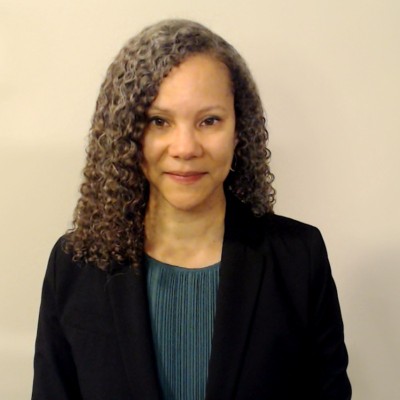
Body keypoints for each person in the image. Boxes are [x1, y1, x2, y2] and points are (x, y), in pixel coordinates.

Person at [32, 19, 351, 400]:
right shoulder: (75, 265)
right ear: (126, 134)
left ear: (239, 130)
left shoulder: (299, 258)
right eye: (158, 121)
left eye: (209, 120)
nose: (185, 148)